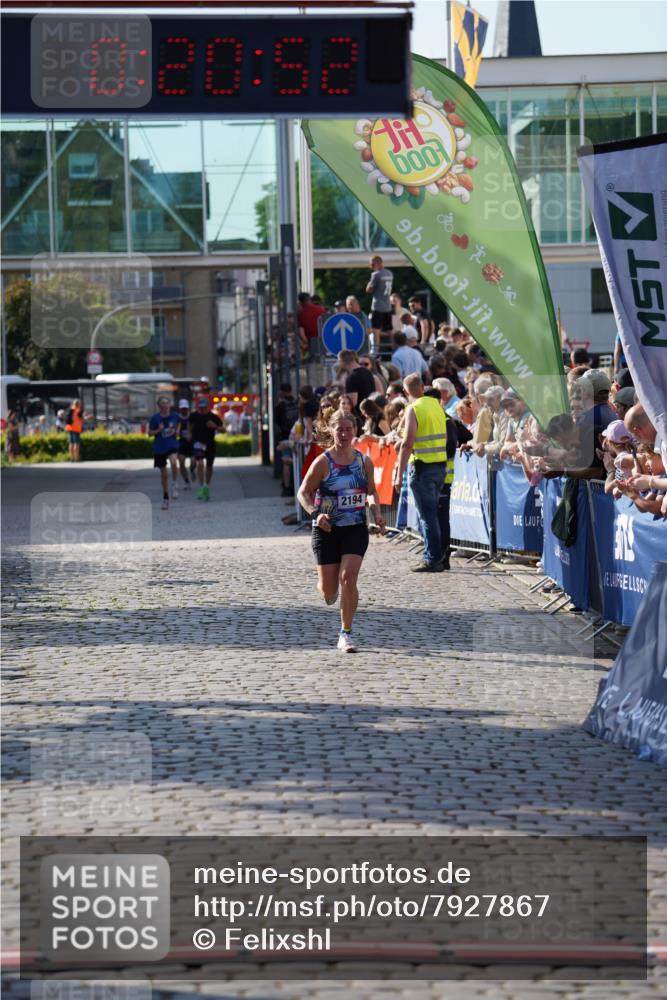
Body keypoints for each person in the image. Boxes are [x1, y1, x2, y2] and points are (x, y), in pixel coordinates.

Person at [297, 411, 386, 652]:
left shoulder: (364, 462)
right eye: (340, 430)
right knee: (328, 591)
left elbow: (370, 491)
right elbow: (303, 493)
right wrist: (316, 514)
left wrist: (376, 513)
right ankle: (328, 589)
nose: (344, 434)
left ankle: (345, 633)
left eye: (348, 429)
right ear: (332, 431)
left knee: (349, 577)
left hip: (355, 528)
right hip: (326, 530)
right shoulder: (323, 462)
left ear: (355, 430)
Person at [393, 373, 449, 572]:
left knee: (427, 516)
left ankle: (432, 558)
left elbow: (407, 443)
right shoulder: (436, 405)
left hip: (422, 467)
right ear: (423, 387)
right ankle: (439, 556)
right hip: (440, 466)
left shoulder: (413, 408)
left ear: (406, 391)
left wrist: (398, 475)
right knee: (435, 515)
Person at [148, 396, 181, 509]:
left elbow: (179, 423)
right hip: (160, 447)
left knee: (174, 462)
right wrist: (158, 430)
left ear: (169, 404)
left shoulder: (175, 416)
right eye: (163, 403)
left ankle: (174, 483)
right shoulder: (155, 418)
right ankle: (165, 497)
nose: (165, 405)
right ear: (159, 406)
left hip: (172, 444)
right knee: (164, 475)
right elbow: (149, 433)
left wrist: (177, 431)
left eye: (167, 403)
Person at [189, 395, 222, 501]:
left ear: (208, 406)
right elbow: (189, 427)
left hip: (210, 444)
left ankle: (206, 486)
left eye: (204, 407)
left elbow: (223, 429)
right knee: (200, 463)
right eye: (200, 407)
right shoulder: (194, 415)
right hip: (198, 443)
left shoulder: (213, 417)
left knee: (209, 466)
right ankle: (201, 486)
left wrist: (215, 426)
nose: (202, 409)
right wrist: (190, 436)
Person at [365, 254, 393, 353]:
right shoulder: (389, 273)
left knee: (376, 330)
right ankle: (394, 348)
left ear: (377, 263)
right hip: (388, 306)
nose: (371, 267)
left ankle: (376, 351)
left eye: (372, 265)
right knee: (390, 330)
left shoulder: (376, 275)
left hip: (377, 306)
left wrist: (370, 281)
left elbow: (369, 289)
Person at [176, 399, 195, 489]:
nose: (184, 410)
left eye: (186, 408)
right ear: (180, 409)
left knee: (193, 462)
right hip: (182, 443)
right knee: (181, 461)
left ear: (188, 408)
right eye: (182, 408)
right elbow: (175, 431)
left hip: (192, 443)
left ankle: (192, 470)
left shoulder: (192, 417)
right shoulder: (177, 418)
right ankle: (187, 481)